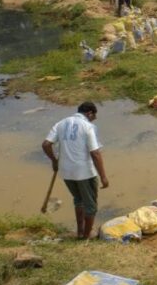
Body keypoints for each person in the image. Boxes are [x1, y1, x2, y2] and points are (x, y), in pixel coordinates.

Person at [41, 102, 109, 240]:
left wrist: (54, 161)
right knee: (91, 206)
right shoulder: (88, 126)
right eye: (93, 116)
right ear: (90, 113)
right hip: (85, 173)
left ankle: (80, 232)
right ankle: (85, 237)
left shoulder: (61, 123)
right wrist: (103, 177)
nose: (94, 119)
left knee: (78, 200)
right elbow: (95, 153)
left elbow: (46, 144)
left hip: (66, 172)